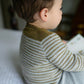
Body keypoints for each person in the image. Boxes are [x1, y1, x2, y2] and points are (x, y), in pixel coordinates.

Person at [12, 0, 84, 84]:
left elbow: (43, 49)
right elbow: (71, 63)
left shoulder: (27, 31)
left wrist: (58, 45)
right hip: (54, 81)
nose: (61, 12)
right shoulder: (49, 40)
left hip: (34, 80)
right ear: (45, 14)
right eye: (60, 8)